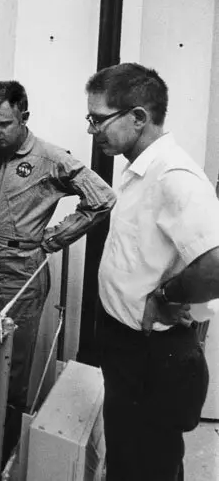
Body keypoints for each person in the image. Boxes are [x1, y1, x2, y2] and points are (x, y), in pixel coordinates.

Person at [0, 80, 116, 472]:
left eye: (3, 124)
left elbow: (101, 199)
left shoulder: (50, 159)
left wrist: (54, 239)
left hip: (20, 277)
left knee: (12, 369)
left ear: (23, 116)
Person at [86, 62, 219, 481]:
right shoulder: (140, 169)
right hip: (127, 346)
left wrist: (166, 298)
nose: (93, 130)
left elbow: (215, 264)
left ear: (138, 117)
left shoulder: (174, 176)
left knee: (147, 465)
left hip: (151, 355)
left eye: (99, 119)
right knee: (128, 456)